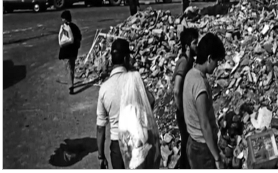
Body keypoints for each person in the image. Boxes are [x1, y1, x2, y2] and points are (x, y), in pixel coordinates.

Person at [95, 38, 159, 169]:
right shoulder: (134, 79)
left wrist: (101, 156)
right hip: (136, 142)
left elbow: (100, 127)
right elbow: (151, 101)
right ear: (125, 59)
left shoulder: (104, 88)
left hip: (117, 147)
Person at [184, 34, 227, 168]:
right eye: (216, 61)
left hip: (192, 142)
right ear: (209, 58)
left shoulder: (190, 74)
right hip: (202, 149)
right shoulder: (200, 85)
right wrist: (216, 157)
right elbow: (204, 125)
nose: (216, 66)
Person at [171, 27, 200, 169]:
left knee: (187, 142)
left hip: (186, 111)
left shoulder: (189, 61)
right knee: (187, 143)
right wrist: (183, 111)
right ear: (188, 46)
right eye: (195, 43)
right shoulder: (183, 62)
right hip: (183, 112)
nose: (197, 46)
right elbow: (176, 90)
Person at [58, 10, 83, 92]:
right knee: (71, 68)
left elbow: (61, 40)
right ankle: (71, 83)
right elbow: (79, 38)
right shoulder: (75, 27)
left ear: (65, 19)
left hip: (66, 52)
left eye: (62, 19)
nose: (61, 20)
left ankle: (70, 86)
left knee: (68, 69)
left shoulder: (64, 27)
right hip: (73, 52)